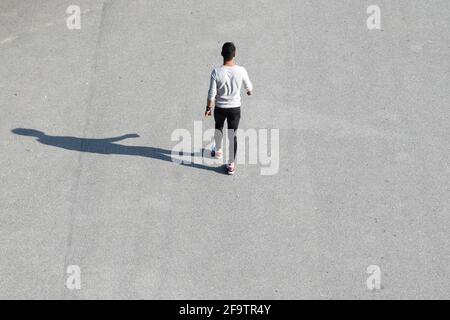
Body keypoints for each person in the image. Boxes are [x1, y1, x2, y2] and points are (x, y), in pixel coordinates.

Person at [205, 42, 253, 175]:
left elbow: (211, 93)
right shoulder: (241, 70)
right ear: (235, 54)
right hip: (235, 109)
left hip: (220, 108)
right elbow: (249, 87)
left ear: (222, 54)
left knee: (219, 128)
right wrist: (249, 91)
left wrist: (208, 108)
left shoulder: (216, 72)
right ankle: (231, 164)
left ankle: (218, 151)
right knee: (233, 135)